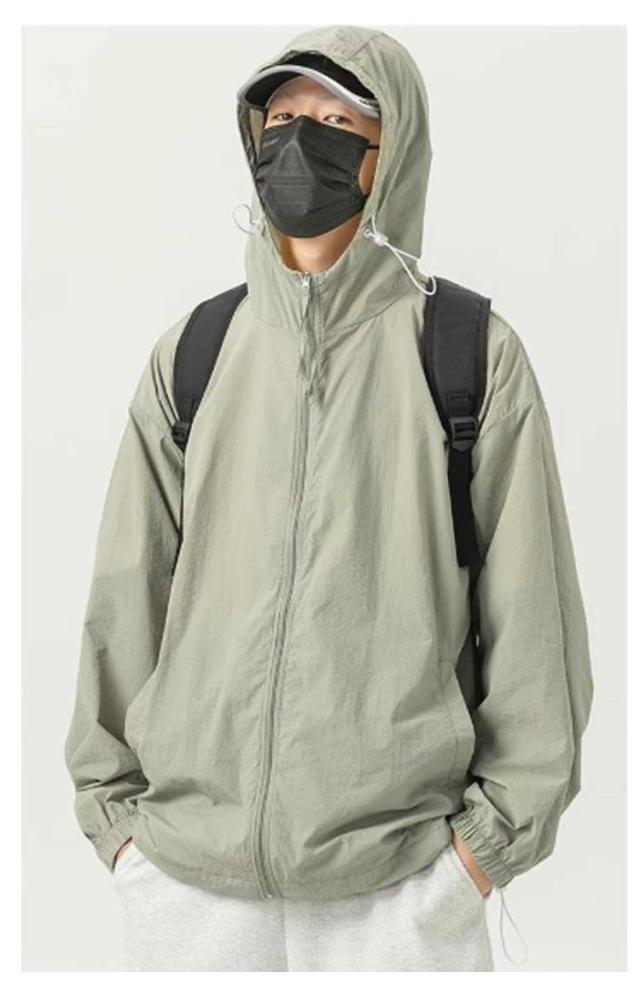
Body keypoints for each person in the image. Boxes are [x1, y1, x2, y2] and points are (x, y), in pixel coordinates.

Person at [64, 25, 594, 972]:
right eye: (282, 117)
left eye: (339, 121)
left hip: (400, 890)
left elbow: (535, 618)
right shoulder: (196, 353)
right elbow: (125, 595)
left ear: (394, 153)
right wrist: (120, 831)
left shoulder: (468, 354)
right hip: (188, 885)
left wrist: (479, 854)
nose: (302, 141)